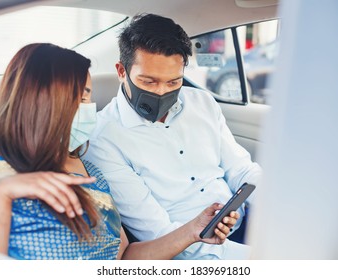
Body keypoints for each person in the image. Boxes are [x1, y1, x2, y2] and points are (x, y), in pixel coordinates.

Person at [0, 43, 239, 260]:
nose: (87, 108)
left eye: (87, 97)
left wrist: (193, 230)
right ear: (36, 104)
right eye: (76, 99)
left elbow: (123, 257)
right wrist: (4, 195)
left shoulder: (92, 172)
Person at [84, 13, 262, 260]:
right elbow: (157, 233)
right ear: (122, 71)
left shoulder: (202, 102)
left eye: (173, 82)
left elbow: (241, 170)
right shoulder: (103, 139)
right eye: (148, 81)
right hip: (190, 252)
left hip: (244, 227)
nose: (161, 92)